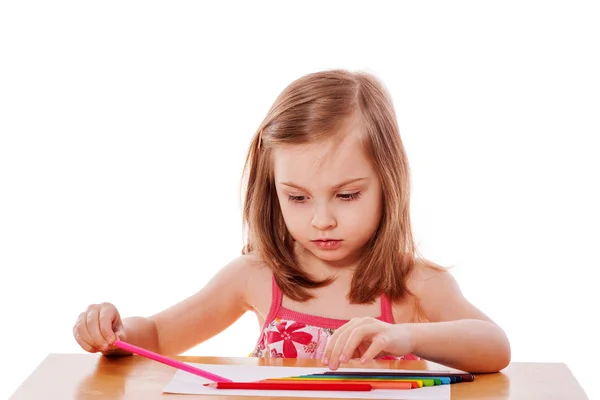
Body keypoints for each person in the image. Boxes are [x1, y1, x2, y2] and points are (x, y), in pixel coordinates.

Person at [73, 69, 511, 373]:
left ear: (387, 184)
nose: (322, 220)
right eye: (298, 197)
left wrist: (410, 339)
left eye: (347, 195)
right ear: (274, 190)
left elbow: (495, 346)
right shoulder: (256, 275)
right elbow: (157, 336)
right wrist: (113, 333)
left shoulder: (412, 282)